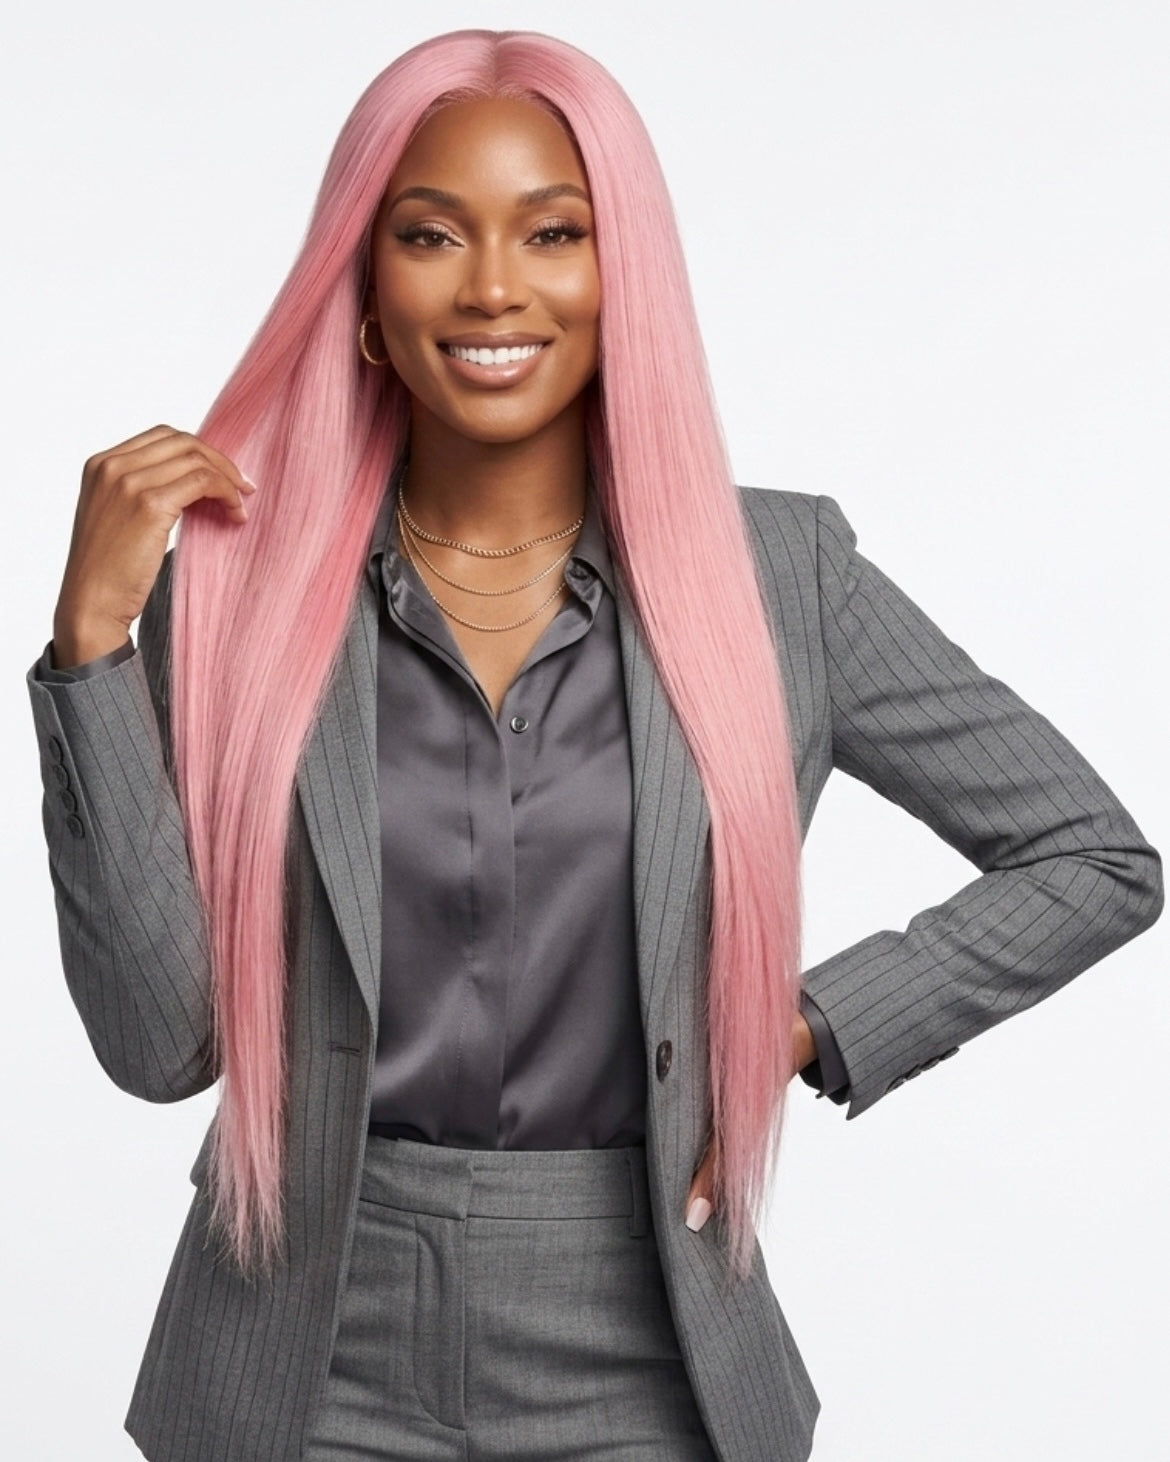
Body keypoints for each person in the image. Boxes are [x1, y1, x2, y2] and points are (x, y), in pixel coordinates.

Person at [26, 27, 1162, 1462]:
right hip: (303, 1344)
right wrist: (88, 656)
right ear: (365, 293)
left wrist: (809, 1022)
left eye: (553, 232)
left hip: (646, 1339)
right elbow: (156, 1043)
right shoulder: (233, 590)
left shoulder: (777, 576)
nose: (493, 283)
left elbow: (1092, 853)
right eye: (430, 234)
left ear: (621, 277)